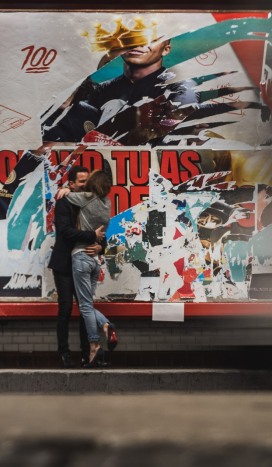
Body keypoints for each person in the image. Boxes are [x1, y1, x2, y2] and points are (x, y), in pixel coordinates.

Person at [42, 38, 199, 143]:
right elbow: (83, 129)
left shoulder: (180, 86)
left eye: (152, 39)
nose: (140, 44)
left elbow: (179, 130)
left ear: (165, 50)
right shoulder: (102, 89)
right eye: (133, 39)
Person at [48, 165, 106, 368]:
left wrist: (100, 246)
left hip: (83, 262)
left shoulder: (93, 200)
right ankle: (64, 354)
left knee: (85, 310)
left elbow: (102, 230)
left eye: (87, 181)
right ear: (71, 184)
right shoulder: (64, 202)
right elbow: (65, 232)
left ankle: (86, 355)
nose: (86, 185)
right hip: (64, 265)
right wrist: (92, 236)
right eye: (82, 182)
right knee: (65, 309)